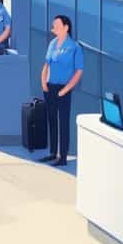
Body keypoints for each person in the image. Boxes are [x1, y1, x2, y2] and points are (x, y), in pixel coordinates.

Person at [40, 15, 84, 167]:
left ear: (66, 27)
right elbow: (46, 64)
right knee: (51, 119)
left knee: (63, 122)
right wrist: (43, 82)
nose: (54, 27)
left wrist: (65, 90)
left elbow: (78, 72)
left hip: (63, 89)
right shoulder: (52, 43)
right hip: (50, 87)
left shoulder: (74, 47)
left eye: (57, 25)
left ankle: (63, 156)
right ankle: (52, 152)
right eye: (53, 25)